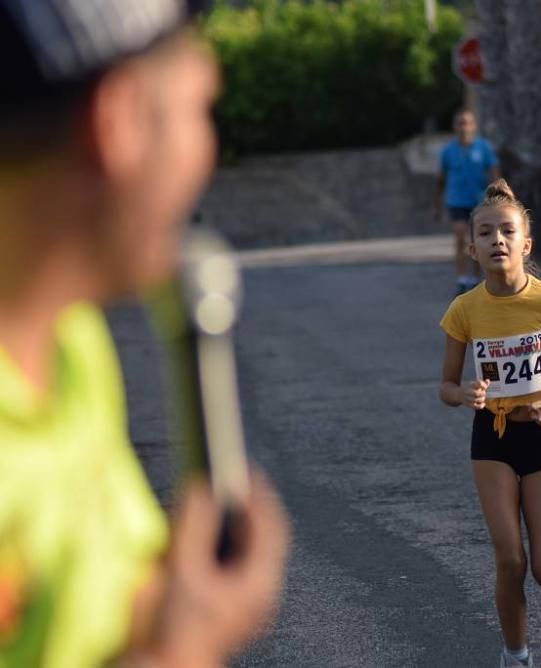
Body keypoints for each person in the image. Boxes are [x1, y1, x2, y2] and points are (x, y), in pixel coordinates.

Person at [0, 2, 288, 666]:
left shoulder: (66, 340)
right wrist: (183, 652)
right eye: (199, 109)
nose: (206, 154)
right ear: (121, 121)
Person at [438, 180, 541, 667]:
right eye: (485, 234)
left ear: (525, 244)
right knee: (510, 559)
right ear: (472, 249)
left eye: (507, 231)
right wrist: (463, 394)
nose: (497, 241)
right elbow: (445, 387)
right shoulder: (464, 310)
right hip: (493, 436)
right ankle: (516, 655)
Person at [434, 109, 501, 295]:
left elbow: (494, 174)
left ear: (474, 126)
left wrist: (500, 199)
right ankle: (461, 278)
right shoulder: (448, 151)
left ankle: (475, 278)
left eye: (467, 123)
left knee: (477, 240)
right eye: (460, 123)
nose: (464, 127)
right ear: (455, 126)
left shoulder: (483, 148)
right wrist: (437, 205)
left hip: (479, 201)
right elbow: (440, 180)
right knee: (460, 236)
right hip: (456, 200)